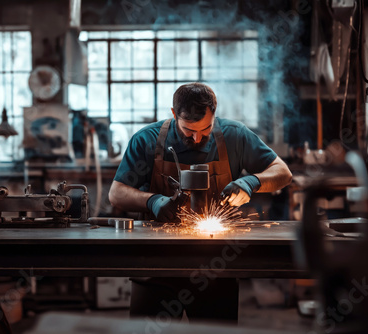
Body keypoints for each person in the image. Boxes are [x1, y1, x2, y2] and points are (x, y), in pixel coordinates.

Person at [108, 82, 292, 323]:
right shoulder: (147, 140)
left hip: (215, 265)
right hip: (156, 264)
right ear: (174, 114)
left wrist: (252, 182)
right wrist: (152, 201)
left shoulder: (235, 136)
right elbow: (116, 193)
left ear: (214, 113)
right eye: (188, 130)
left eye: (205, 129)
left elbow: (283, 173)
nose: (197, 138)